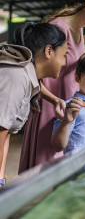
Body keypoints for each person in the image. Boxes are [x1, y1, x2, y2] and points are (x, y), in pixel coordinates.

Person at [19, 0, 85, 173]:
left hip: (68, 110)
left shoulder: (80, 29)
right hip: (51, 111)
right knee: (45, 174)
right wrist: (54, 100)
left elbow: (74, 50)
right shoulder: (58, 27)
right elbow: (32, 73)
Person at [0, 21, 68, 186]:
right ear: (49, 51)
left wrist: (1, 180)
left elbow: (5, 133)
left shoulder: (25, 75)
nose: (64, 63)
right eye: (64, 55)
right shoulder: (17, 78)